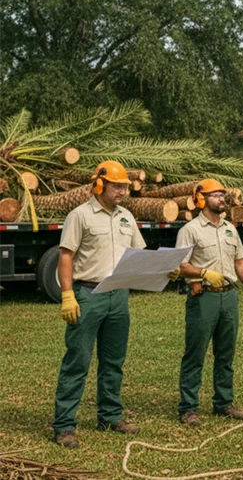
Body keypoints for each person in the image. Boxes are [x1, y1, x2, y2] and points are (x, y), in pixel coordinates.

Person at [53, 161, 146, 448]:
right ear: (99, 185)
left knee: (114, 361)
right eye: (117, 186)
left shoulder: (126, 217)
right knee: (78, 360)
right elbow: (66, 255)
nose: (122, 192)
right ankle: (65, 425)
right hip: (88, 294)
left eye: (125, 188)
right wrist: (67, 294)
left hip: (118, 295)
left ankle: (109, 416)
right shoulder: (79, 216)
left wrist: (162, 268)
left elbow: (138, 253)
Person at [176, 179, 243, 427]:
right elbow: (180, 265)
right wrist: (203, 274)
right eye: (215, 195)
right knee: (195, 353)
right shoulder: (190, 230)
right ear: (200, 199)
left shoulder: (230, 229)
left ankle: (224, 402)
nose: (221, 199)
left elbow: (240, 261)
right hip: (204, 297)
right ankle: (188, 408)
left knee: (226, 353)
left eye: (222, 195)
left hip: (229, 296)